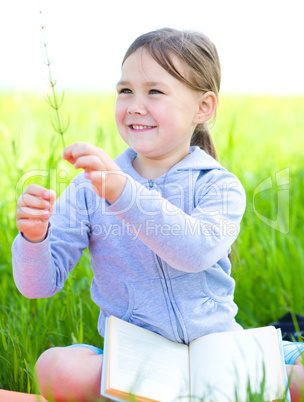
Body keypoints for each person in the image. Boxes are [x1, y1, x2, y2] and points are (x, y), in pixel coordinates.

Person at [11, 28, 304, 402]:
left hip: (217, 353)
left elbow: (193, 252)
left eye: (155, 91)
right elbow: (38, 286)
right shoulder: (90, 187)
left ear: (204, 107)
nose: (135, 104)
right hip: (137, 363)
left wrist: (122, 192)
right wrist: (35, 239)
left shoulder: (218, 185)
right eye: (125, 90)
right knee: (55, 368)